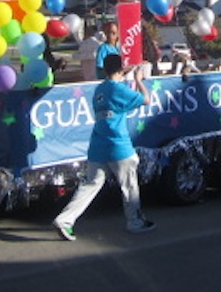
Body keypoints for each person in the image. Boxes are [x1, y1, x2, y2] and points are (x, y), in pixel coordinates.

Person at [53, 54, 155, 240]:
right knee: (129, 185)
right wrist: (139, 81)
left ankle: (65, 220)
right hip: (118, 145)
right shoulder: (118, 89)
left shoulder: (100, 89)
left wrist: (125, 75)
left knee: (90, 185)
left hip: (98, 145)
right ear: (121, 68)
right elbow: (146, 100)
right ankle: (135, 222)